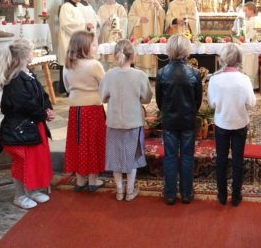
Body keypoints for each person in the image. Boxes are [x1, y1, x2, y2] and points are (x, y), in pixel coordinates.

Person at [0, 39, 53, 209]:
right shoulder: (15, 79)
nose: (33, 54)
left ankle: (33, 190)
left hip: (33, 125)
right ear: (24, 56)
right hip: (19, 128)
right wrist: (42, 114)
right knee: (23, 161)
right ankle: (19, 195)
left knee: (36, 160)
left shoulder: (28, 73)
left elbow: (42, 95)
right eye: (32, 51)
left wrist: (47, 109)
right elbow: (24, 104)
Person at [99, 40, 152, 201]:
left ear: (115, 56)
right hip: (133, 121)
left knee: (115, 157)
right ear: (133, 56)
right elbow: (147, 98)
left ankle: (119, 191)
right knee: (131, 157)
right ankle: (130, 191)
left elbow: (103, 97)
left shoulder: (109, 75)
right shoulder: (140, 75)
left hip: (114, 121)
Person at [156, 34, 202, 205]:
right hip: (188, 120)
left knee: (169, 156)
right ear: (187, 50)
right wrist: (189, 112)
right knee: (187, 157)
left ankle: (169, 194)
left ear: (169, 49)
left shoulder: (162, 73)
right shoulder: (194, 73)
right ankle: (186, 194)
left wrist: (167, 112)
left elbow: (160, 101)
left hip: (169, 121)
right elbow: (197, 102)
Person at [208, 43, 256, 206]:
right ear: (239, 60)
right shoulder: (244, 79)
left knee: (221, 159)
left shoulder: (215, 79)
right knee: (238, 160)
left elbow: (212, 104)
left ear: (223, 59)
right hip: (240, 124)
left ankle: (222, 195)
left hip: (222, 123)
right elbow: (251, 103)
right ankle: (236, 196)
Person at [63, 31, 106, 193]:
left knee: (78, 142)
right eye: (93, 45)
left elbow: (67, 87)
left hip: (75, 110)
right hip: (93, 108)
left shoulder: (68, 64)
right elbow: (105, 85)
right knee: (93, 143)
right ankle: (93, 181)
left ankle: (80, 180)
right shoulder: (94, 65)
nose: (96, 48)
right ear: (84, 47)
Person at [128, 0, 165, 76]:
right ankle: (139, 73)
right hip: (140, 32)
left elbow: (162, 16)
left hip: (152, 32)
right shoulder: (136, 3)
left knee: (150, 52)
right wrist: (139, 19)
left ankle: (152, 74)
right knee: (141, 52)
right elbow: (130, 16)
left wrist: (159, 8)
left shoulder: (155, 3)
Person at [57, 0, 87, 93]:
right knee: (67, 64)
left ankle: (74, 86)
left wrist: (84, 26)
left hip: (75, 40)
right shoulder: (66, 7)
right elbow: (66, 24)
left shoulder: (77, 7)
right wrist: (83, 26)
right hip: (68, 40)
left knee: (74, 63)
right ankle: (65, 88)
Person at [231, 2, 260, 88]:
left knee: (250, 67)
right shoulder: (248, 20)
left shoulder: (255, 20)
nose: (245, 13)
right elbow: (240, 32)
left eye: (246, 11)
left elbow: (249, 35)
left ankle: (249, 85)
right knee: (245, 66)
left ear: (252, 10)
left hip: (251, 47)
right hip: (246, 48)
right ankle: (245, 84)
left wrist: (239, 37)